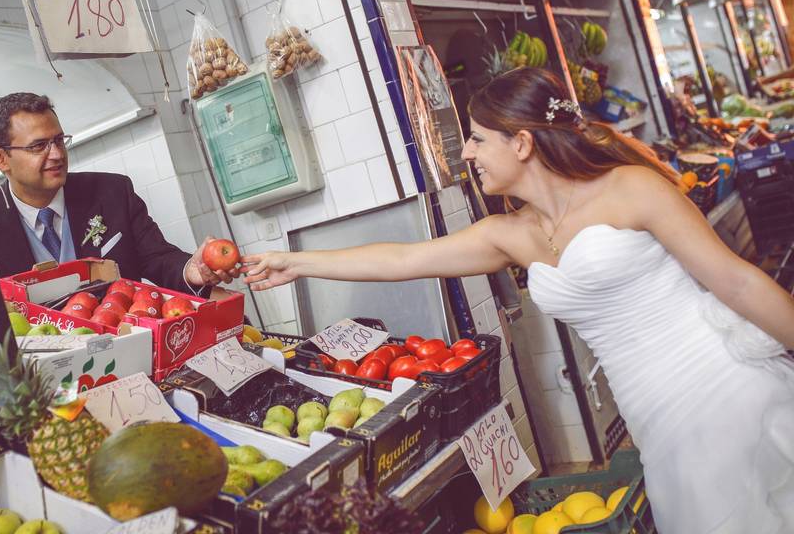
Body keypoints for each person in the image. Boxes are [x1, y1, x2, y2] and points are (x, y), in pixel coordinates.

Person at [241, 68, 794, 533]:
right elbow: (403, 259)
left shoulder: (631, 189)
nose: (468, 151)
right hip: (653, 416)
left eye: (479, 137)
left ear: (522, 142)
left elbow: (738, 282)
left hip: (720, 386)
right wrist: (299, 264)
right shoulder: (510, 234)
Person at [0, 92, 237, 293]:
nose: (56, 154)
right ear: (1, 159)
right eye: (39, 146)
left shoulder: (112, 192)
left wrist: (191, 269)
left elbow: (158, 258)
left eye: (58, 140)